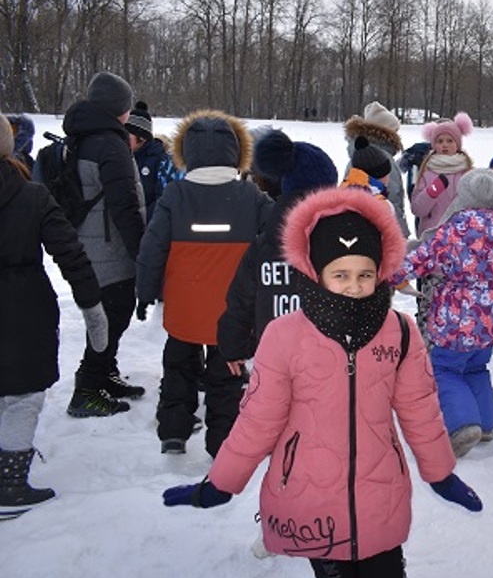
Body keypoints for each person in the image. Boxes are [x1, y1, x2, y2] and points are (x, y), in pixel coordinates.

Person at [161, 187, 482, 578]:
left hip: (380, 496)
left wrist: (440, 473)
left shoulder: (399, 332)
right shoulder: (284, 336)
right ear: (316, 272)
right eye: (340, 274)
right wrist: (221, 483)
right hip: (311, 502)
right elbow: (258, 420)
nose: (354, 285)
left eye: (365, 274)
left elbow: (420, 408)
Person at [135, 110, 273, 456]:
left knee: (178, 368)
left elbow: (152, 247)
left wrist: (145, 291)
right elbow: (279, 235)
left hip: (184, 304)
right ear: (237, 153)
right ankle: (222, 442)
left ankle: (173, 431)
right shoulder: (251, 197)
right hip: (233, 311)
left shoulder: (174, 195)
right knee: (227, 378)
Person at [0, 116, 108, 518]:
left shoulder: (34, 195)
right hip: (23, 310)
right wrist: (93, 306)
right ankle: (9, 485)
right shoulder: (33, 196)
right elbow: (71, 255)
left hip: (23, 304)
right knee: (22, 397)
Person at [392, 168, 493, 456]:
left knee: (445, 369)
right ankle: (487, 423)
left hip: (458, 312)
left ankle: (463, 425)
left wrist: (391, 274)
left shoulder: (455, 227)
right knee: (477, 366)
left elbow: (424, 257)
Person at [216, 127, 339, 383]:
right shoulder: (341, 241)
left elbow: (240, 299)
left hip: (274, 359)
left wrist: (233, 346)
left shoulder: (265, 241)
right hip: (329, 360)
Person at [63, 71, 148, 418]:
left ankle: (104, 374)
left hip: (87, 242)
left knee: (107, 315)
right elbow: (124, 204)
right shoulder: (110, 143)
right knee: (112, 315)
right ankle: (87, 388)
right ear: (119, 109)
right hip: (108, 248)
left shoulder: (82, 136)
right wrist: (141, 252)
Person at [345, 101, 410, 236]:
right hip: (384, 232)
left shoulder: (358, 155)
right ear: (387, 132)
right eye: (396, 131)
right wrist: (401, 235)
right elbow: (391, 199)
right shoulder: (381, 159)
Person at [409, 112, 474, 237]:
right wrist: (431, 192)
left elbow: (474, 207)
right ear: (434, 145)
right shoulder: (427, 171)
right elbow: (417, 209)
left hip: (460, 237)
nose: (445, 145)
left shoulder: (467, 172)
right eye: (440, 141)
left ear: (458, 144)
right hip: (432, 236)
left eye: (450, 141)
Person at [125, 100, 181, 221]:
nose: (122, 139)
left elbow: (164, 199)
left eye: (127, 135)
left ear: (141, 138)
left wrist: (142, 219)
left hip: (151, 226)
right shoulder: (123, 158)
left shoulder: (163, 161)